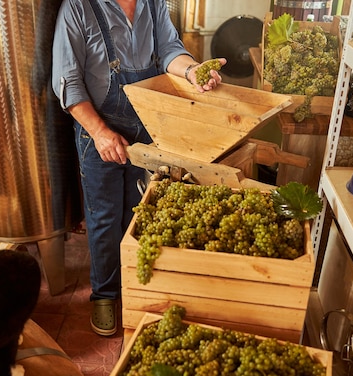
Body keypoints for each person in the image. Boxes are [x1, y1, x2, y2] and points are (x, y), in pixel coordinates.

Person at [52, 0, 226, 336]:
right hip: (98, 129)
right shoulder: (77, 7)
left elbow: (169, 49)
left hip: (147, 125)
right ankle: (104, 294)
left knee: (140, 211)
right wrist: (101, 134)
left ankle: (135, 285)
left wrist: (192, 71)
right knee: (104, 216)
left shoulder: (153, 3)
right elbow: (68, 80)